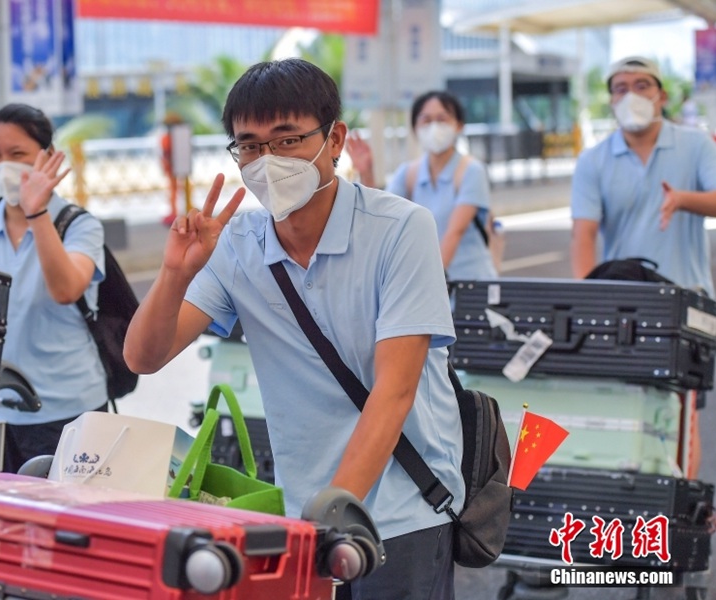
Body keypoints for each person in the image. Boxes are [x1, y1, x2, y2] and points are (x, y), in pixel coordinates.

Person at [124, 58, 464, 599]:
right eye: (250, 146)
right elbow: (144, 357)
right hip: (300, 515)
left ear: (335, 140)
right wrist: (174, 273)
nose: (268, 161)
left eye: (287, 140)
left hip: (401, 510)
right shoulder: (236, 244)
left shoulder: (400, 229)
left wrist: (334, 514)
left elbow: (394, 391)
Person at [571, 57, 716, 479]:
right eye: (620, 88)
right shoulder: (594, 160)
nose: (630, 95)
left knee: (682, 410)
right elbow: (583, 235)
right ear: (611, 99)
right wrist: (584, 301)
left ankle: (677, 505)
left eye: (641, 85)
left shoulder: (696, 145)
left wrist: (683, 199)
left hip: (689, 303)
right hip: (624, 306)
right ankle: (638, 504)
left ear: (661, 95)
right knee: (628, 409)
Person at [0, 103, 108, 473]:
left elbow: (66, 289)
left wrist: (37, 214)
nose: (5, 165)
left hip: (70, 409)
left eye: (17, 154)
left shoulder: (79, 225)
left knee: (67, 523)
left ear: (47, 158)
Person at [346, 91, 497, 280]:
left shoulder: (471, 171)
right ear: (415, 128)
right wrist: (367, 172)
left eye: (442, 119)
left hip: (470, 289)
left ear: (458, 125)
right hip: (431, 285)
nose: (434, 126)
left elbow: (454, 233)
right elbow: (382, 216)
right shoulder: (409, 173)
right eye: (426, 120)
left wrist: (430, 284)